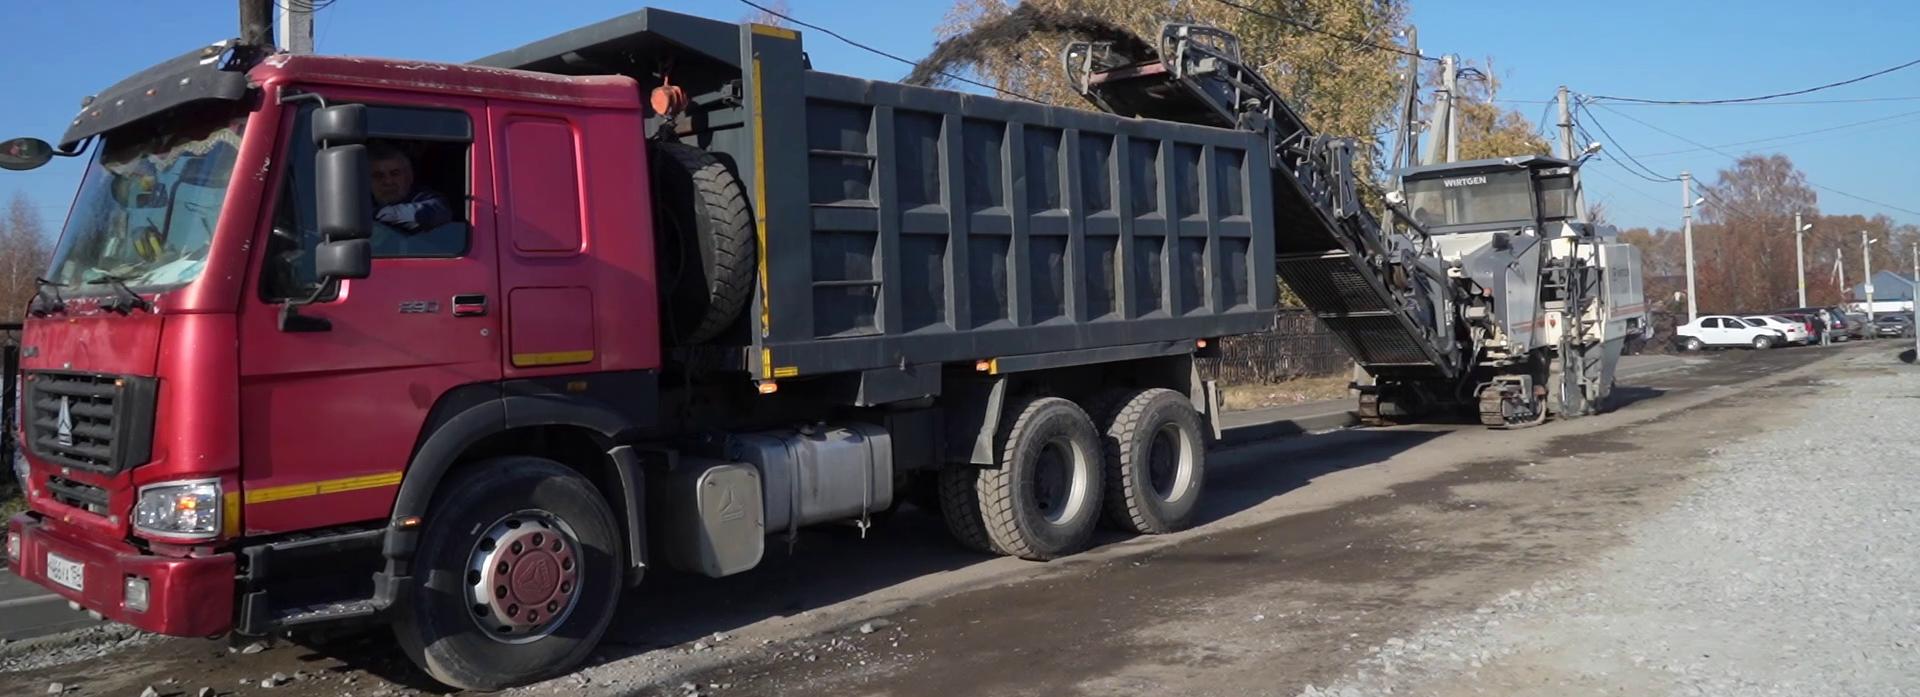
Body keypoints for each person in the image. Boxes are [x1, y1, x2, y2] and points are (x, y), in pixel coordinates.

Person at [369, 141, 452, 232]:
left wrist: (376, 214)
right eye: (378, 176)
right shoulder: (360, 200)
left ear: (409, 177)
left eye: (395, 174)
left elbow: (439, 211)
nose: (388, 181)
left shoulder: (426, 199)